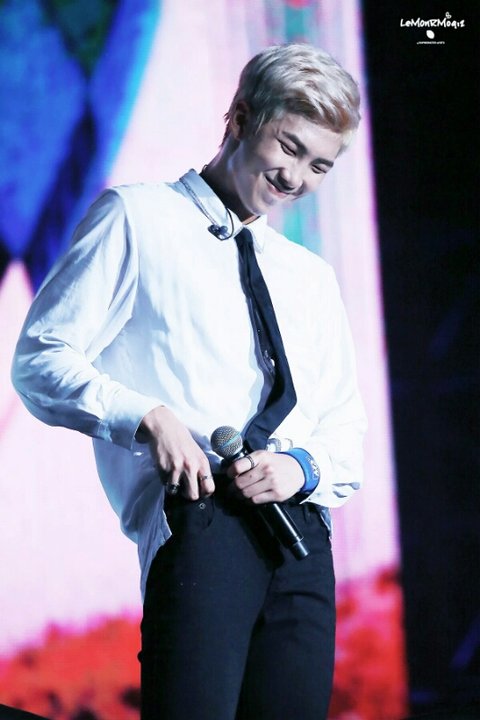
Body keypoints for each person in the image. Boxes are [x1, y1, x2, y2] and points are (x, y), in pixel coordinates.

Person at [12, 43, 367, 720]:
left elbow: (345, 426)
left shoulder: (310, 278)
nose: (296, 177)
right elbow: (40, 357)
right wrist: (146, 416)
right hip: (202, 517)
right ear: (241, 117)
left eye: (319, 165)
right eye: (289, 147)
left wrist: (301, 467)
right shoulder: (137, 217)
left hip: (303, 538)